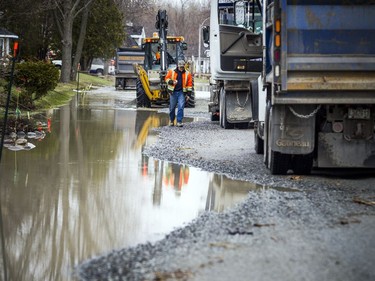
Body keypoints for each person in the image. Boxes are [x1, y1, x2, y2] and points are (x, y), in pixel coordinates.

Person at [165, 60, 193, 127]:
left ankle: (179, 121)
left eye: (182, 67)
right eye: (180, 67)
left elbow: (189, 85)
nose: (181, 69)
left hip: (181, 93)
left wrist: (188, 95)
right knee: (172, 108)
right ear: (178, 66)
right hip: (173, 92)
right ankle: (172, 120)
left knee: (181, 107)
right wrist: (171, 82)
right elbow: (166, 78)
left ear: (184, 67)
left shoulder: (187, 74)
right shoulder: (172, 71)